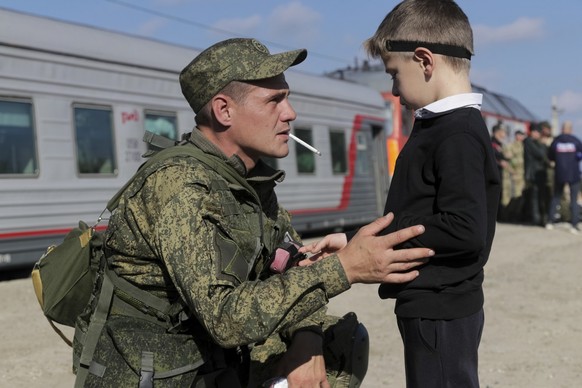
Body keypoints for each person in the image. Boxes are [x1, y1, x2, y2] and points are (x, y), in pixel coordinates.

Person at [75, 38, 434, 388]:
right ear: (224, 110)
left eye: (287, 99)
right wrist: (345, 268)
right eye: (274, 101)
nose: (290, 113)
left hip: (211, 359)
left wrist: (306, 338)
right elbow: (225, 317)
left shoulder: (245, 181)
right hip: (158, 372)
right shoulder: (181, 186)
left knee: (340, 340)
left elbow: (289, 261)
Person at [302, 1, 500, 387]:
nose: (393, 89)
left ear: (425, 61)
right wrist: (358, 237)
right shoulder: (442, 127)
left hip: (439, 307)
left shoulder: (455, 133)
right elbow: (420, 212)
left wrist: (383, 239)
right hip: (433, 305)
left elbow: (464, 228)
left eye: (394, 73)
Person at [545, 121, 582, 234]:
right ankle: (574, 224)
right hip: (573, 174)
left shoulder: (556, 142)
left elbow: (550, 156)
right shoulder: (576, 141)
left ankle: (550, 222)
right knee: (573, 199)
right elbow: (580, 155)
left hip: (559, 173)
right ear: (570, 129)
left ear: (562, 129)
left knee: (556, 197)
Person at [523, 124, 550, 226]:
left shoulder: (534, 142)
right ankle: (536, 219)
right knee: (535, 197)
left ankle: (538, 218)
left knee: (539, 197)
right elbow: (540, 154)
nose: (538, 134)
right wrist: (544, 145)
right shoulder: (529, 141)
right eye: (537, 132)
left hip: (538, 173)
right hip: (533, 174)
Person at [491, 122, 512, 220]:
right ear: (496, 132)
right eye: (502, 132)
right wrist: (502, 159)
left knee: (500, 194)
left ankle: (499, 215)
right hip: (493, 173)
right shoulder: (492, 143)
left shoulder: (500, 144)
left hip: (500, 172)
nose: (504, 135)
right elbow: (493, 155)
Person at [505, 129, 526, 222]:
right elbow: (507, 159)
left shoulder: (524, 146)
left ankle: (518, 215)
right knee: (513, 196)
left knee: (520, 196)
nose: (520, 137)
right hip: (514, 174)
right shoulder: (510, 146)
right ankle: (510, 216)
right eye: (519, 135)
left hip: (522, 174)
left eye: (522, 135)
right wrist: (511, 171)